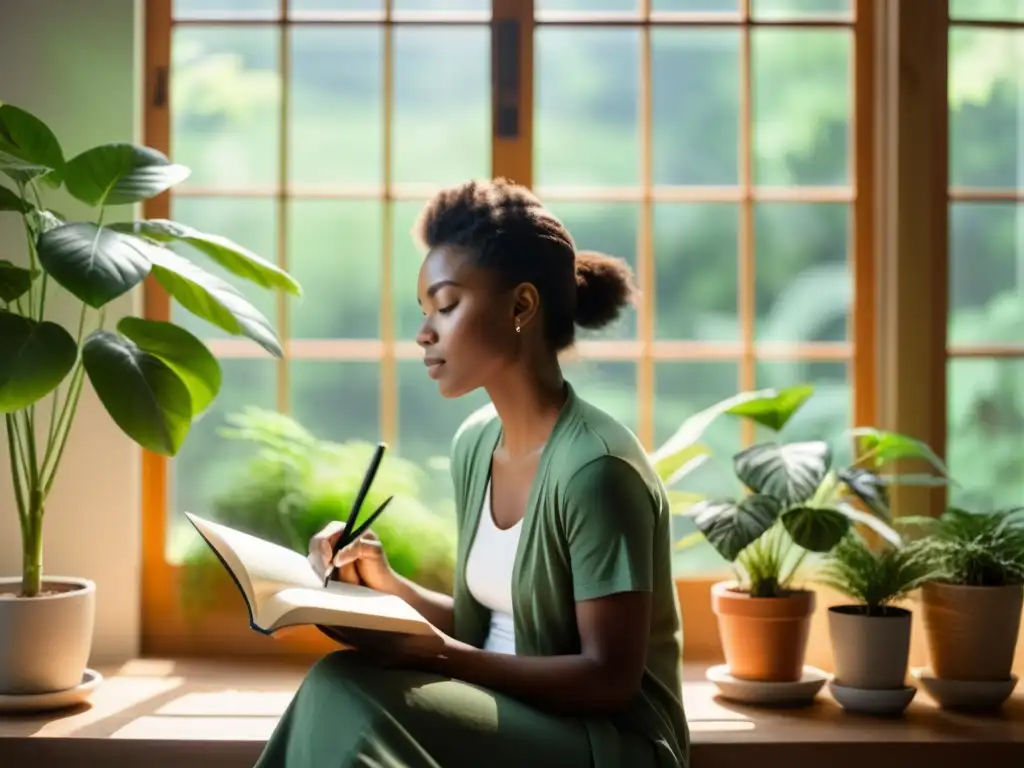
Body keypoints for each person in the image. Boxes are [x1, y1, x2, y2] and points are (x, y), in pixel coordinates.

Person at [255, 178, 689, 768]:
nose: (424, 332)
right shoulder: (476, 443)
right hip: (510, 709)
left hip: (608, 741)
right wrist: (390, 587)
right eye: (425, 310)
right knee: (342, 680)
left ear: (521, 307)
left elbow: (608, 680)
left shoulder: (597, 468)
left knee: (349, 690)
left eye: (447, 305)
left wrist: (437, 657)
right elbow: (483, 626)